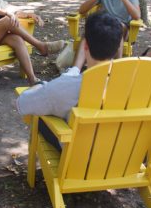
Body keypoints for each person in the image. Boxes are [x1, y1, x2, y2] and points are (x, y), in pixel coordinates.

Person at [17, 12, 123, 149]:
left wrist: (42, 86)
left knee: (41, 118)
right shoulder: (139, 86)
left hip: (79, 158)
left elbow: (22, 103)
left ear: (85, 47)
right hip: (121, 157)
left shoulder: (64, 88)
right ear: (116, 48)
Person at [72, 0, 140, 68]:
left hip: (121, 26)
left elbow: (137, 16)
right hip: (103, 25)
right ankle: (74, 70)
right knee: (88, 33)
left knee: (117, 29)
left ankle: (117, 68)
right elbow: (81, 10)